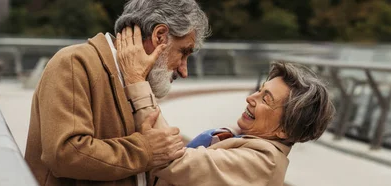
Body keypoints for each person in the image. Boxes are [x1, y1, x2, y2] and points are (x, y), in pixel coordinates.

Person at [24, 0, 210, 185]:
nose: (184, 71)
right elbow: (64, 154)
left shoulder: (139, 80)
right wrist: (145, 150)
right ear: (159, 36)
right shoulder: (75, 63)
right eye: (183, 52)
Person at [116, 32, 336, 185]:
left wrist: (136, 80)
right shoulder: (252, 143)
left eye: (265, 99)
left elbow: (171, 160)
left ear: (284, 131)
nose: (251, 98)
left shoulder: (261, 164)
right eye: (259, 90)